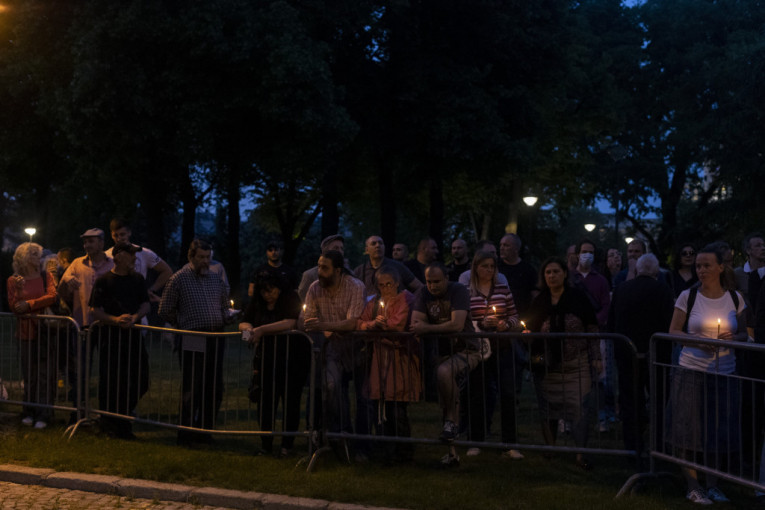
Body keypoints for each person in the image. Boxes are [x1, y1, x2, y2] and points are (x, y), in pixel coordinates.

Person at [667, 244, 747, 505]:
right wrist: (696, 341)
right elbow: (673, 331)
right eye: (698, 266)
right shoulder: (687, 297)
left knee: (717, 431)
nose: (701, 270)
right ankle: (693, 486)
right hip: (691, 371)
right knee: (686, 430)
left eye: (706, 265)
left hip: (724, 374)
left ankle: (712, 485)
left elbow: (745, 333)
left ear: (720, 267)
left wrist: (734, 338)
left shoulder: (735, 298)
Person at [525, 257, 601, 470]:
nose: (552, 276)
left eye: (555, 271)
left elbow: (591, 327)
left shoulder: (577, 298)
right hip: (548, 366)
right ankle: (550, 448)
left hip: (576, 364)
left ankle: (581, 453)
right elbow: (531, 328)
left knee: (579, 408)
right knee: (548, 408)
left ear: (564, 274)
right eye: (548, 272)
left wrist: (596, 356)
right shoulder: (540, 300)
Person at [159, 239, 230, 447]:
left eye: (208, 257)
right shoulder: (179, 279)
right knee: (193, 385)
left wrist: (227, 316)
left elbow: (224, 305)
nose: (205, 261)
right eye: (201, 257)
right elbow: (165, 309)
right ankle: (187, 432)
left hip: (215, 336)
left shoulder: (215, 279)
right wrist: (182, 323)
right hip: (193, 336)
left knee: (214, 386)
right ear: (191, 257)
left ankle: (205, 430)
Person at [410, 262, 477, 467]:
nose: (432, 286)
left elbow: (457, 324)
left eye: (437, 281)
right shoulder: (423, 292)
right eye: (429, 281)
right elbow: (415, 324)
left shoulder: (458, 290)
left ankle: (451, 422)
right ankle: (452, 452)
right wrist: (432, 328)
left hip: (467, 349)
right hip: (441, 352)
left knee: (444, 373)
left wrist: (428, 328)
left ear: (446, 279)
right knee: (445, 395)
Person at [607, 254, 674, 456]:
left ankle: (632, 446)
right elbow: (668, 322)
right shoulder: (663, 290)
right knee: (659, 400)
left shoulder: (621, 289)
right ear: (656, 271)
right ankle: (659, 446)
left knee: (629, 401)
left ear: (637, 270)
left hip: (627, 354)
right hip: (656, 355)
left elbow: (612, 322)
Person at [239, 271, 310, 456]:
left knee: (290, 402)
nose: (267, 295)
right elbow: (244, 323)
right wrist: (249, 332)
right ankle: (266, 444)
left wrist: (261, 330)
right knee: (265, 403)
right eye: (264, 291)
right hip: (266, 360)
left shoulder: (290, 299)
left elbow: (291, 322)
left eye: (271, 291)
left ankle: (287, 445)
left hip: (291, 360)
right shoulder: (257, 303)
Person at [357, 265, 420, 463]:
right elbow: (360, 322)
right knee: (381, 406)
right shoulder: (375, 303)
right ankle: (386, 450)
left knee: (397, 408)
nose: (385, 289)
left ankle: (403, 451)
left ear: (397, 283)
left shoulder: (407, 299)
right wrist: (371, 325)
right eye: (381, 285)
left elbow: (398, 325)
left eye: (389, 284)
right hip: (379, 362)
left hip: (400, 361)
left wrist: (377, 329)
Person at [303, 250, 366, 446]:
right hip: (333, 349)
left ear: (338, 270)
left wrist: (323, 325)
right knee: (331, 386)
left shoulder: (355, 286)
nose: (319, 271)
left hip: (359, 348)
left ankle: (364, 445)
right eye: (319, 266)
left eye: (324, 268)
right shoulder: (315, 288)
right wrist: (315, 324)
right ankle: (340, 433)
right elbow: (308, 319)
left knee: (364, 397)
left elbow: (352, 323)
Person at [89, 242, 151, 439]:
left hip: (133, 337)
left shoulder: (138, 279)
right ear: (120, 256)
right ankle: (111, 424)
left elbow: (146, 304)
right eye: (131, 254)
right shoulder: (104, 281)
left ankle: (121, 417)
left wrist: (135, 317)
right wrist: (115, 320)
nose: (134, 258)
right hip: (111, 338)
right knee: (111, 381)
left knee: (140, 379)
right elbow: (95, 310)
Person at [465, 250, 522, 459]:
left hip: (502, 346)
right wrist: (481, 323)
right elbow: (465, 320)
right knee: (477, 394)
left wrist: (505, 324)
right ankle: (475, 440)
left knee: (507, 393)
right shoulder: (467, 292)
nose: (489, 270)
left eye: (492, 266)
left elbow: (514, 316)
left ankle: (510, 443)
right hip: (479, 349)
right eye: (484, 266)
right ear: (476, 267)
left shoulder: (503, 290)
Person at [7, 242, 57, 429]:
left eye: (39, 254)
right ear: (24, 258)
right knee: (29, 375)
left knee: (44, 374)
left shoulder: (46, 276)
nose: (39, 258)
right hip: (25, 333)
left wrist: (30, 304)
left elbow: (52, 296)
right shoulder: (13, 280)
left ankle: (44, 414)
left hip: (45, 332)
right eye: (34, 254)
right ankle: (29, 411)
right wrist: (20, 291)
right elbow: (15, 307)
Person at [105, 218, 173, 304]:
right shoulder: (106, 255)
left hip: (140, 304)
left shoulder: (143, 252)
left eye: (122, 234)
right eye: (116, 235)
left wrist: (152, 290)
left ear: (129, 232)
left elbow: (167, 271)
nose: (119, 239)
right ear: (111, 235)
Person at [58, 228, 115, 328]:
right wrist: (67, 279)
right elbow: (61, 290)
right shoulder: (77, 263)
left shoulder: (112, 264)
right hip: (83, 321)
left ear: (101, 244)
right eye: (85, 242)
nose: (87, 245)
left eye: (91, 241)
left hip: (108, 321)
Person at [354, 235, 422, 298]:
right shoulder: (360, 271)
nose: (378, 245)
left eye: (380, 243)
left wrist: (411, 301)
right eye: (373, 243)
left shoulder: (397, 266)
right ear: (366, 250)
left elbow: (419, 287)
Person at [497, 234, 537, 315]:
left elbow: (535, 295)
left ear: (516, 249)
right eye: (501, 245)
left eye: (506, 245)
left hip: (521, 315)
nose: (501, 248)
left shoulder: (528, 270)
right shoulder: (495, 268)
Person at [298, 235, 345, 301]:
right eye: (336, 248)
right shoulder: (310, 275)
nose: (340, 251)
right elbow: (303, 298)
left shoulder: (348, 275)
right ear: (325, 251)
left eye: (342, 248)